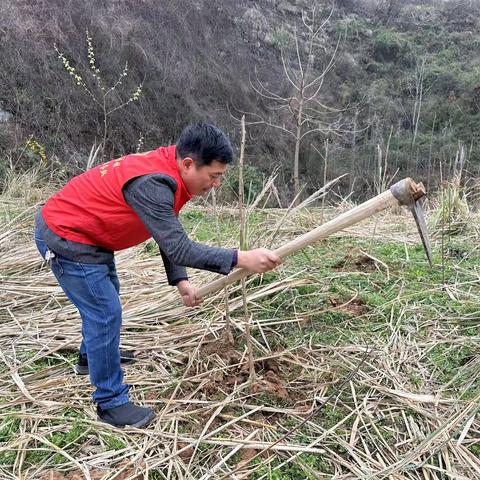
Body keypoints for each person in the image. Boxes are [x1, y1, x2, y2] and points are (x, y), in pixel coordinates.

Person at [34, 123, 281, 428]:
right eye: (214, 176)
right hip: (66, 235)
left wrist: (181, 280)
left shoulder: (171, 167)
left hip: (92, 234)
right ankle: (110, 403)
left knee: (107, 293)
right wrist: (240, 258)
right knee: (104, 311)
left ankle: (93, 356)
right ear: (189, 164)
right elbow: (178, 246)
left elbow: (166, 229)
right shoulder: (152, 182)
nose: (217, 184)